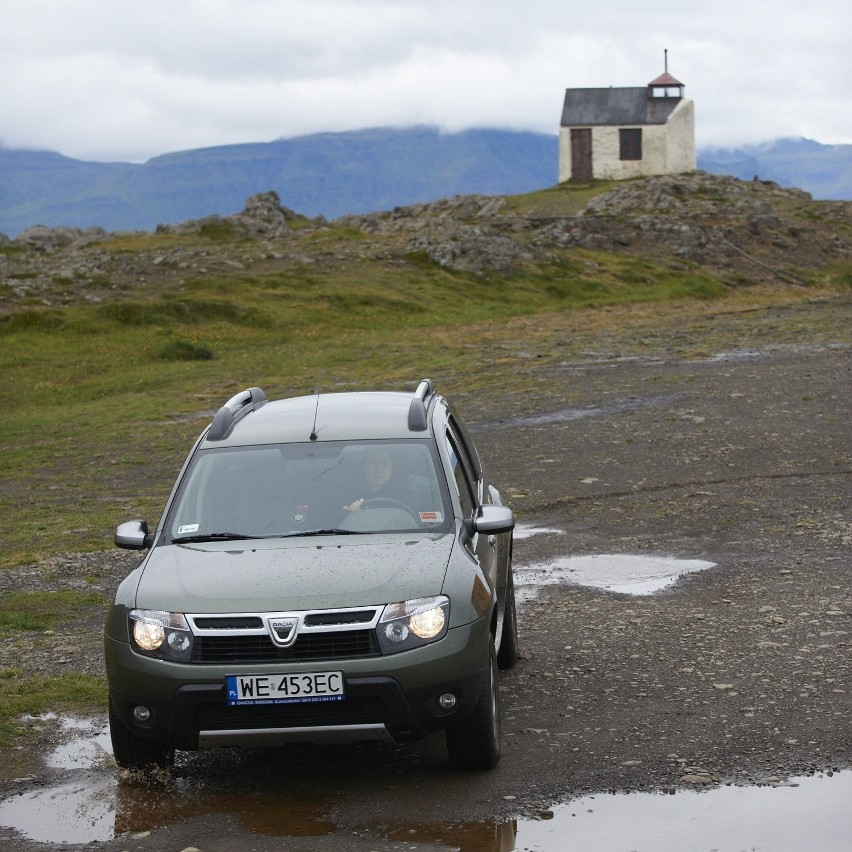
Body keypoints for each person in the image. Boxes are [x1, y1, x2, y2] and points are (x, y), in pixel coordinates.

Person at [343, 448, 406, 513]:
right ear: (363, 467)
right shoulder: (350, 495)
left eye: (385, 464)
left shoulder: (405, 497)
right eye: (372, 463)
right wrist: (353, 511)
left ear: (393, 468)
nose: (379, 469)